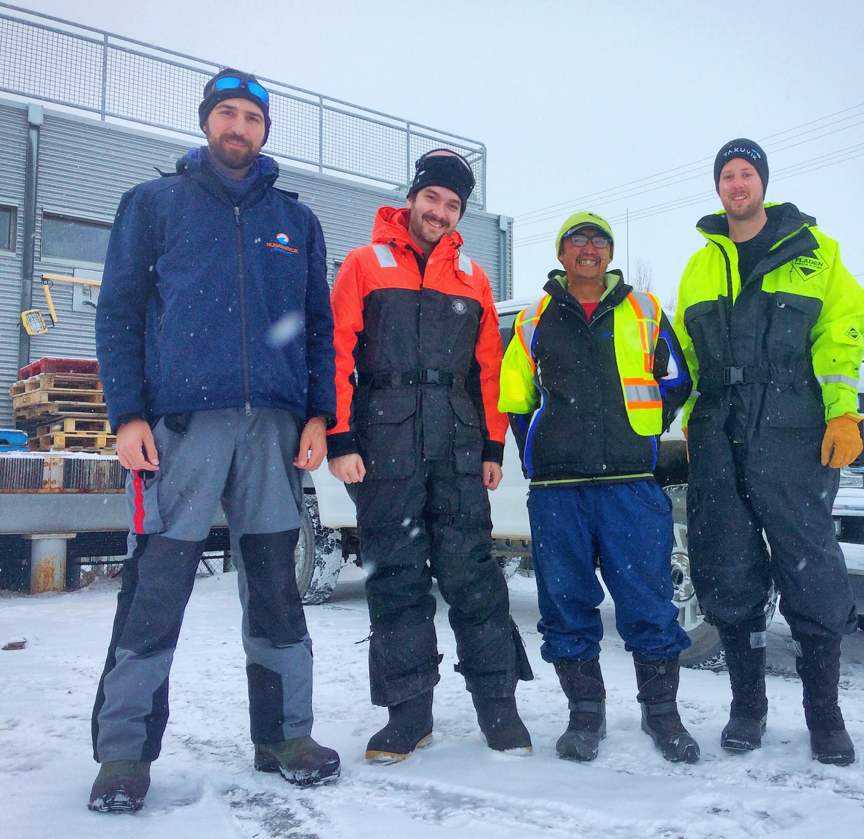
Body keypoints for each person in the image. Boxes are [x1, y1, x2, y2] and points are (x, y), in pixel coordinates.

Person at [90, 68, 340, 812]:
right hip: (181, 431)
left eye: (252, 118)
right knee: (154, 592)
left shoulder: (296, 221)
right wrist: (127, 413)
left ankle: (285, 735)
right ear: (207, 122)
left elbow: (319, 329)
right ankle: (124, 753)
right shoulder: (154, 204)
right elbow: (119, 314)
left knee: (274, 591)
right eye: (226, 114)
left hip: (271, 429)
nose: (239, 127)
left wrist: (319, 415)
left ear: (265, 131)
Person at [327, 149, 533, 762]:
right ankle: (408, 714)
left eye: (453, 205)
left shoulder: (472, 277)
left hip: (459, 446)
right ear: (412, 198)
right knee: (396, 578)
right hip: (385, 447)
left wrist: (494, 444)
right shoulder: (364, 265)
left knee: (473, 576)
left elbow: (489, 369)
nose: (439, 212)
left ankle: (499, 707)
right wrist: (340, 438)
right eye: (432, 199)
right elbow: (335, 352)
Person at [674, 138, 864, 766]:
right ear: (718, 187)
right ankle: (747, 706)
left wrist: (842, 409)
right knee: (728, 568)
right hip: (716, 433)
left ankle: (825, 715)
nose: (738, 184)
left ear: (763, 181)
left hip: (792, 428)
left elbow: (843, 328)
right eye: (727, 175)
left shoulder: (816, 253)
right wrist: (679, 424)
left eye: (746, 174)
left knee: (810, 566)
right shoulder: (699, 265)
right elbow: (680, 352)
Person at [499, 212, 698, 764]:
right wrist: (537, 447)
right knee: (565, 604)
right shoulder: (535, 318)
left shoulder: (647, 311)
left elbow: (677, 381)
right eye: (577, 240)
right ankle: (586, 713)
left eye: (598, 241)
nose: (588, 249)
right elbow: (515, 397)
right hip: (558, 491)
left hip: (630, 484)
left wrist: (641, 431)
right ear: (562, 253)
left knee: (649, 603)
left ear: (609, 254)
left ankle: (663, 715)